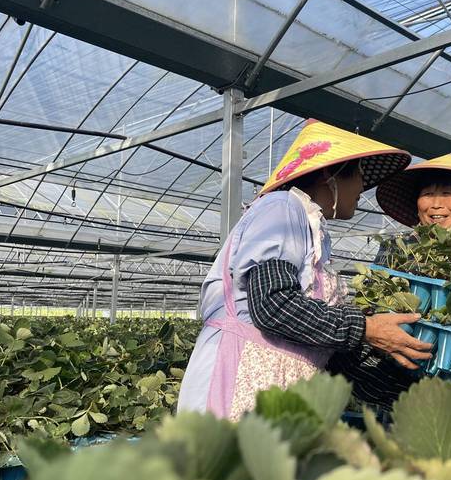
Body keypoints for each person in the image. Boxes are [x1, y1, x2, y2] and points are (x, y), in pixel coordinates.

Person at [177, 119, 433, 420]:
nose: (362, 188)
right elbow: (273, 304)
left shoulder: (313, 233)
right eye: (360, 175)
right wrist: (366, 328)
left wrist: (418, 397)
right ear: (330, 174)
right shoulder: (282, 208)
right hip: (237, 386)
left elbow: (329, 345)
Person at [326, 154, 451, 411]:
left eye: (447, 193)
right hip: (396, 377)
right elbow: (372, 310)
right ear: (417, 206)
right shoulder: (396, 249)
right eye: (427, 194)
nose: (436, 204)